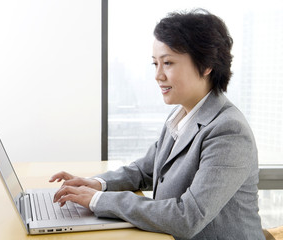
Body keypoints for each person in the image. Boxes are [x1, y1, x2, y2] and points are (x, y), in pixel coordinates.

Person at [49, 9, 265, 240]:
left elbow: (187, 217)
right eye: (155, 64)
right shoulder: (181, 115)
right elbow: (145, 170)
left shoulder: (228, 131)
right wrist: (97, 184)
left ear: (206, 66)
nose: (158, 75)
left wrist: (98, 200)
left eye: (168, 63)